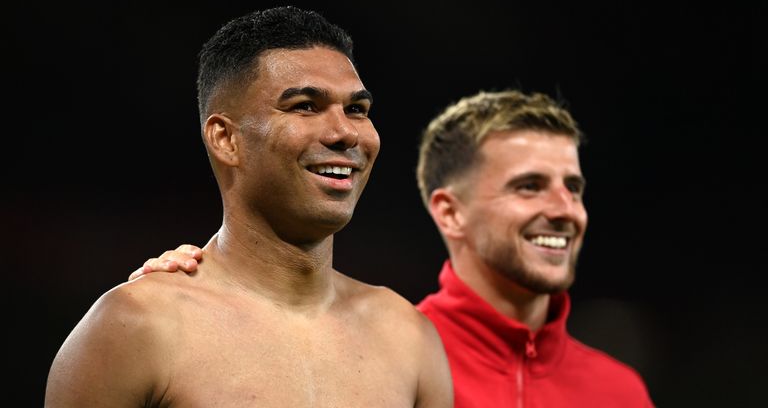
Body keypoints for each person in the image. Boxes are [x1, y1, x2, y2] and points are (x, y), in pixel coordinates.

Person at [137, 90, 655, 407]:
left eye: (575, 187)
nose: (565, 208)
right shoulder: (381, 351)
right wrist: (205, 286)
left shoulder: (621, 391)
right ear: (449, 212)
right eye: (528, 186)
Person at [44, 6, 453, 408]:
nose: (345, 132)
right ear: (225, 139)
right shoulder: (137, 327)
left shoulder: (409, 338)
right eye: (305, 106)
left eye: (356, 109)